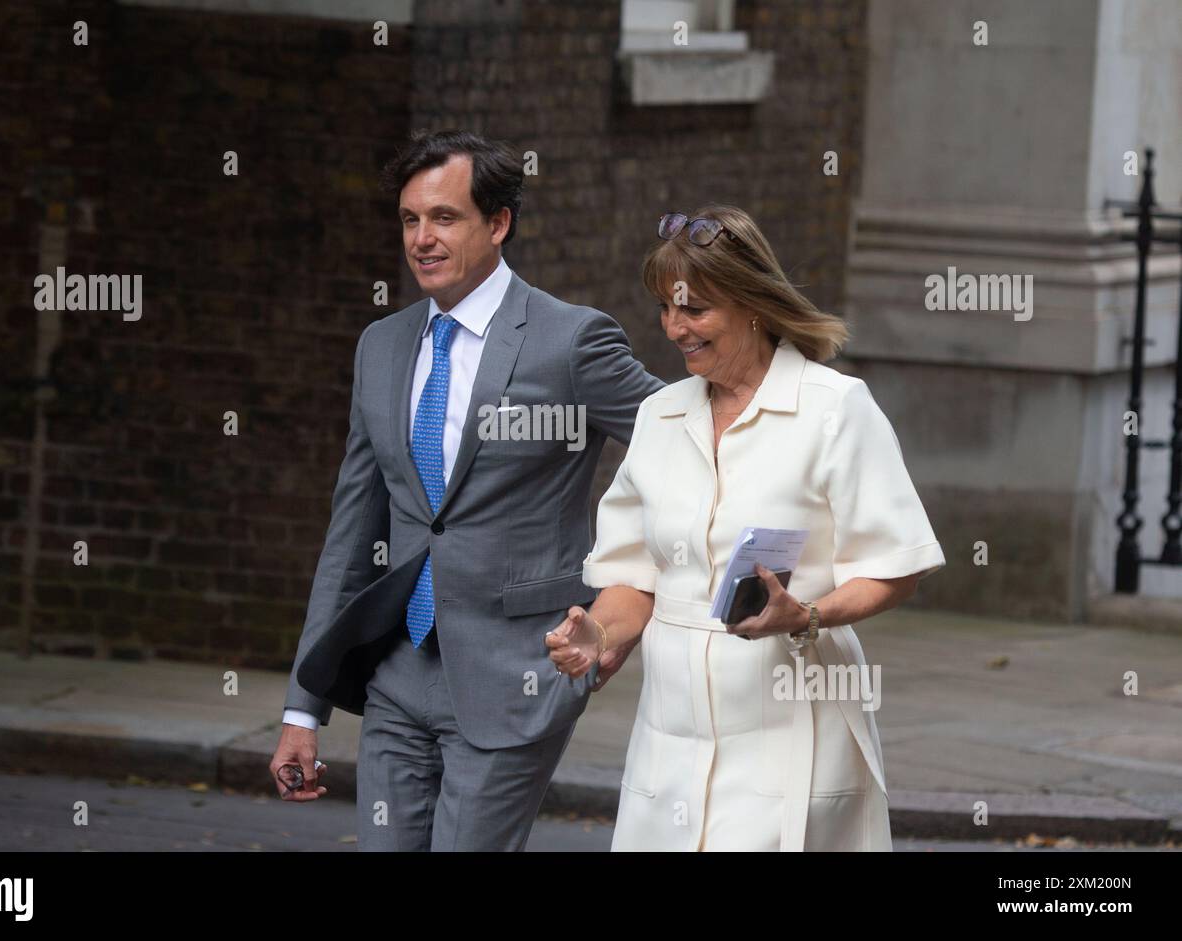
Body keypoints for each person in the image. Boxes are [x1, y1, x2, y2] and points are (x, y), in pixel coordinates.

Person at [272, 130, 663, 851]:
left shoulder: (569, 342)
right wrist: (305, 707)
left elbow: (684, 446)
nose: (422, 238)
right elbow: (352, 533)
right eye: (411, 219)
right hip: (397, 675)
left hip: (515, 677)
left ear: (498, 223)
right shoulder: (382, 347)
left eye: (445, 218)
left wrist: (636, 580)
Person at [546, 206, 945, 851]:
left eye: (696, 310)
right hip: (668, 747)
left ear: (753, 305)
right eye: (667, 308)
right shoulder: (658, 416)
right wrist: (597, 633)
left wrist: (806, 614)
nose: (675, 328)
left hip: (791, 737)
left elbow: (895, 568)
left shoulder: (835, 409)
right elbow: (632, 577)